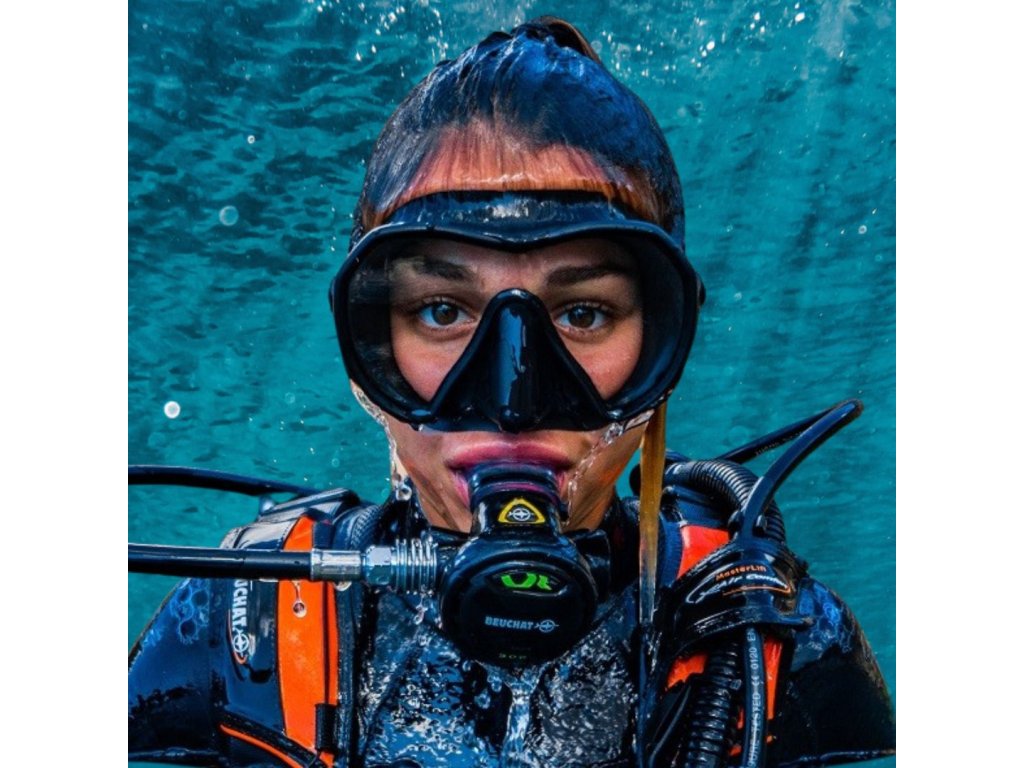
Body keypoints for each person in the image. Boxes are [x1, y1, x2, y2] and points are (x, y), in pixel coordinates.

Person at [129, 17, 895, 768]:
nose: (514, 401)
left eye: (583, 314)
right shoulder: (232, 640)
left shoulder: (776, 645)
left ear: (663, 346)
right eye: (442, 311)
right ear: (372, 350)